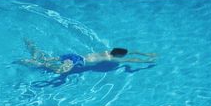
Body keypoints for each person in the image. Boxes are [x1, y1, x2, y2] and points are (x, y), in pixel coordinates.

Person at [18, 38, 157, 74]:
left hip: (73, 56)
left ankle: (31, 47)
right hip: (79, 62)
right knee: (57, 70)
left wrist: (146, 54)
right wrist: (146, 61)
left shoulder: (109, 51)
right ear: (118, 56)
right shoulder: (111, 59)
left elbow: (129, 52)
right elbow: (131, 58)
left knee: (48, 59)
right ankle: (27, 62)